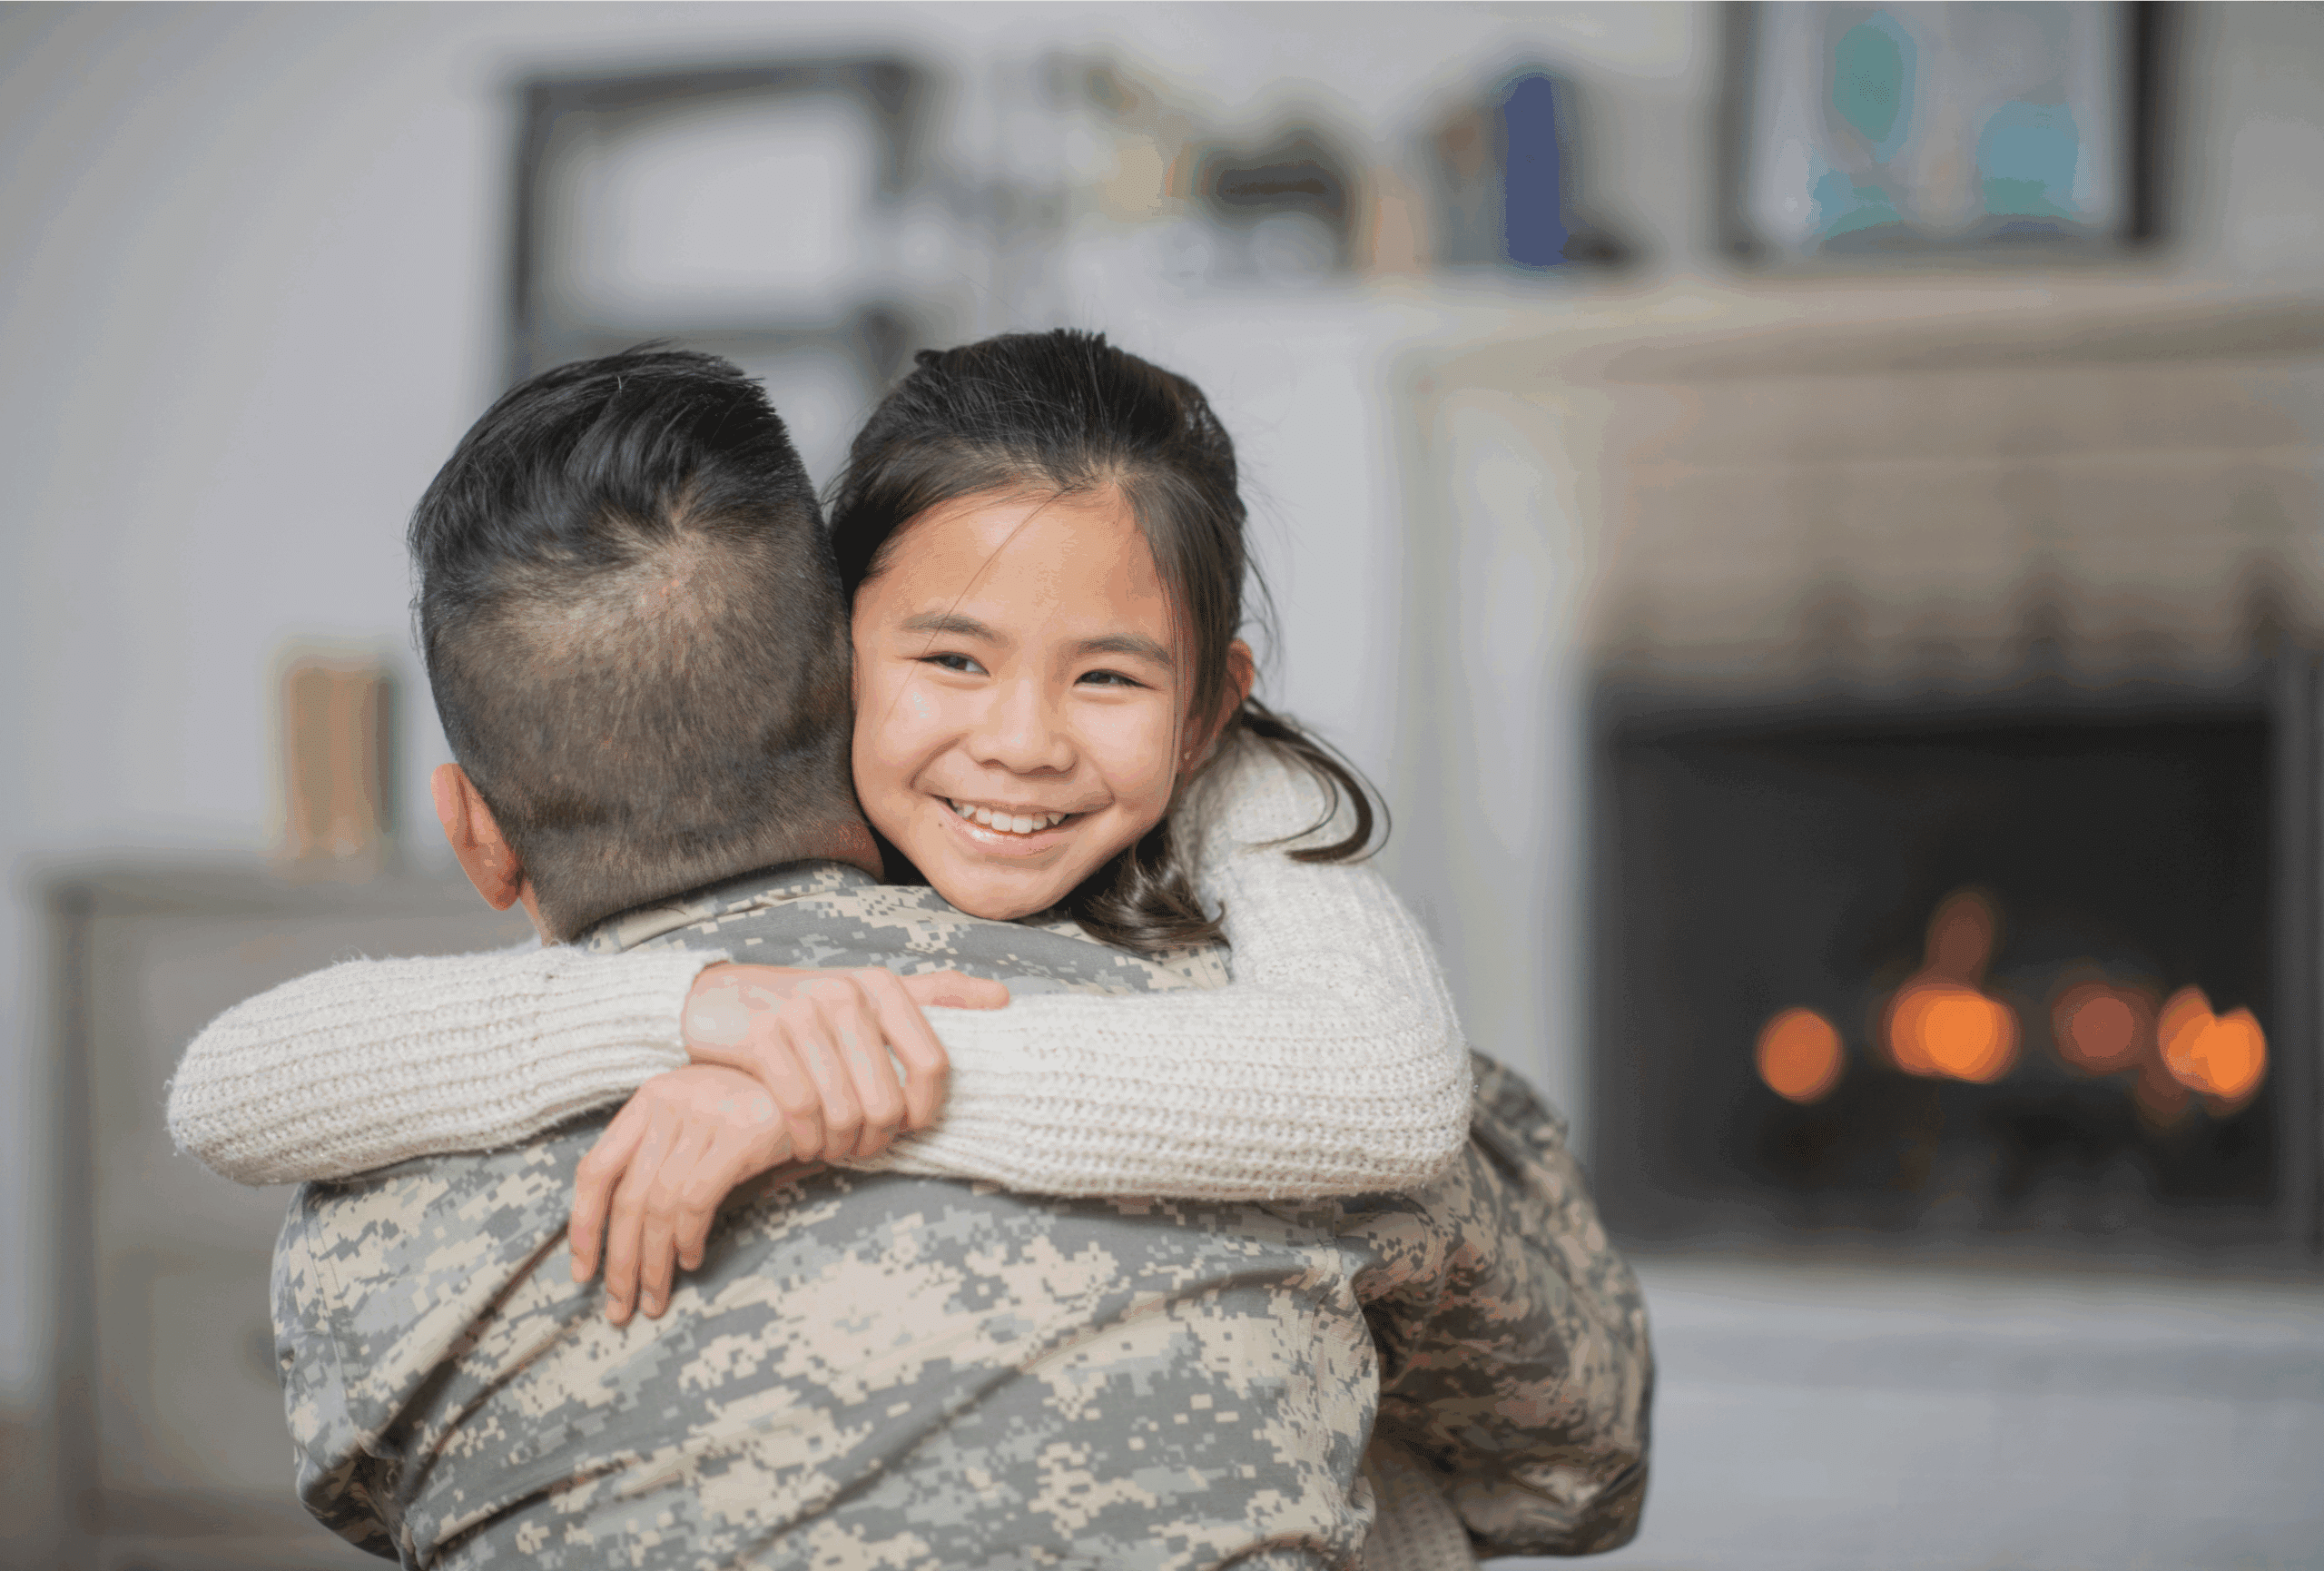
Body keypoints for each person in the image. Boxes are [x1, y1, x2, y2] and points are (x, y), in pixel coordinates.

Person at [172, 341, 1651, 1565]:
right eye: (952, 657)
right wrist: (701, 1014)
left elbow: (1380, 1091)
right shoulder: (1225, 1026)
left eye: (1114, 677)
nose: (1021, 737)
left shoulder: (1284, 1006)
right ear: (839, 655)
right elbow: (1575, 1462)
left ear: (1208, 711)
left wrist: (836, 1081)